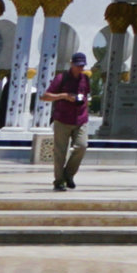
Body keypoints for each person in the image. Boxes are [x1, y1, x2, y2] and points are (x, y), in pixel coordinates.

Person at [45, 52, 92, 190]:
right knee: (60, 152)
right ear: (71, 64)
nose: (80, 68)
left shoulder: (85, 79)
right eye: (78, 65)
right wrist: (64, 96)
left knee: (82, 146)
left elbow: (86, 95)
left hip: (81, 118)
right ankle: (59, 181)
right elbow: (45, 96)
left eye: (82, 66)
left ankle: (68, 174)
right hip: (63, 119)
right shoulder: (61, 78)